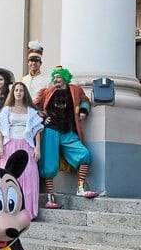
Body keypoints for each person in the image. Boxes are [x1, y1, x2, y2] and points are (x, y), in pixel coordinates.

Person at [34, 66, 95, 207]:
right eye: (54, 77)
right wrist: (43, 117)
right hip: (50, 131)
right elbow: (35, 106)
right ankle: (50, 197)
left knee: (84, 155)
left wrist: (84, 111)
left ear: (65, 78)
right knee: (48, 165)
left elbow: (85, 101)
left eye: (58, 77)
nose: (55, 79)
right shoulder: (47, 92)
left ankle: (80, 188)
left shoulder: (75, 90)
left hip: (68, 131)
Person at [0, 82, 43, 219]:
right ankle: (7, 209)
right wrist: (1, 146)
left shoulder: (31, 111)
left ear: (24, 93)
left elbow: (37, 130)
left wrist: (37, 147)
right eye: (16, 90)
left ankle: (26, 211)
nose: (18, 92)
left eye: (21, 90)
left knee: (27, 175)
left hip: (26, 146)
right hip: (9, 145)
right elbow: (0, 130)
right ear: (13, 93)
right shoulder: (6, 110)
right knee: (8, 176)